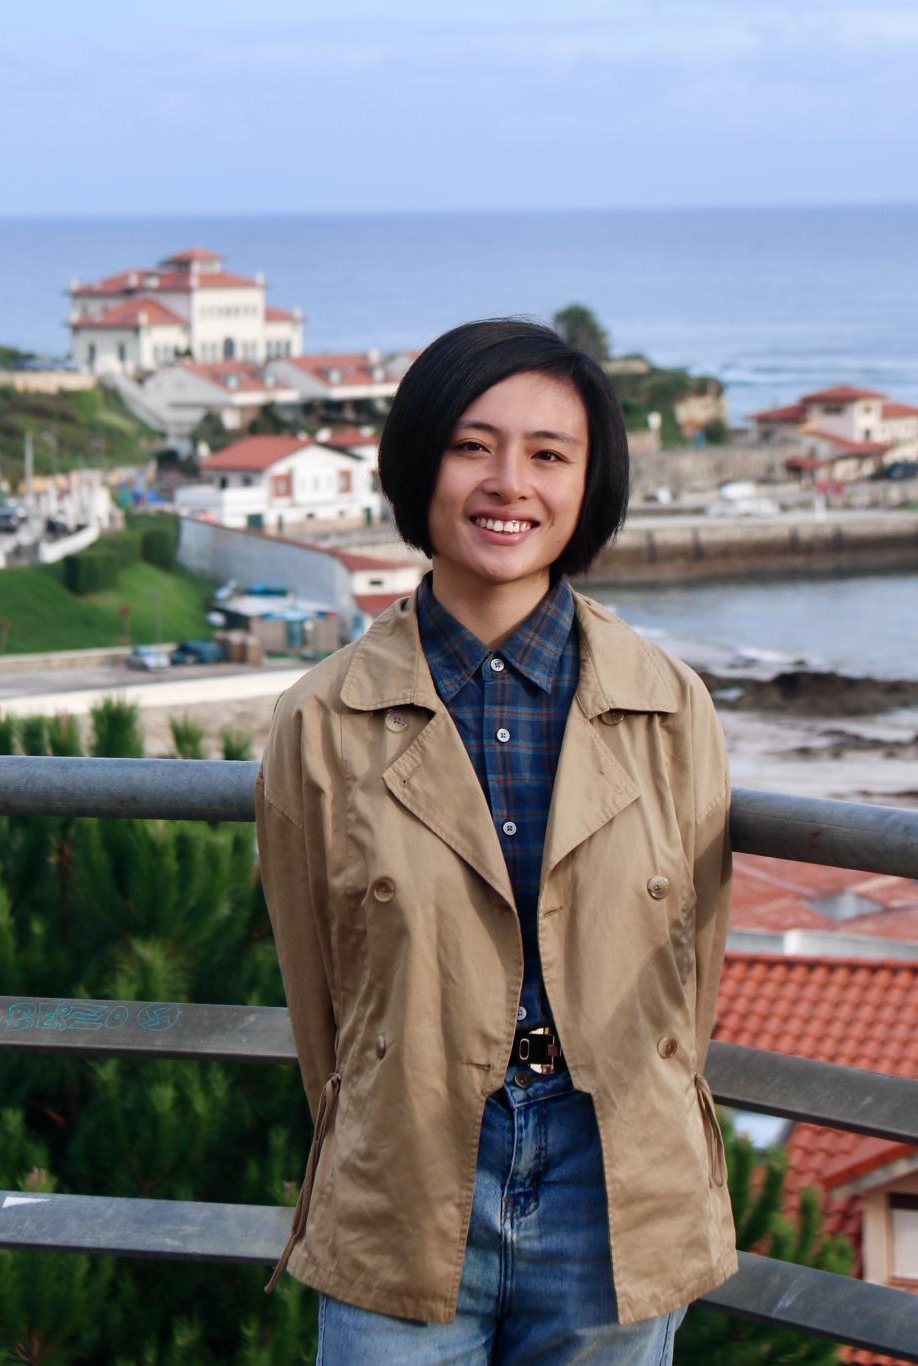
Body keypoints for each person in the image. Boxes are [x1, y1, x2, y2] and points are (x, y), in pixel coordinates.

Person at [255, 318, 737, 1364]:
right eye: (471, 445)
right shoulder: (321, 719)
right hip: (402, 1175)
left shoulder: (670, 705)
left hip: (616, 1180)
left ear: (590, 483)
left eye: (549, 454)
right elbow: (321, 995)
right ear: (416, 463)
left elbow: (689, 972)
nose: (508, 482)